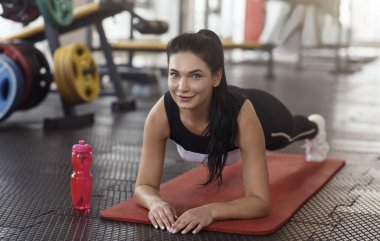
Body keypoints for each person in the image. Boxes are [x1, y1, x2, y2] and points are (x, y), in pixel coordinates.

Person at [133, 29, 330, 234]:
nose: (182, 87)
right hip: (216, 99)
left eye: (195, 75)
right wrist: (155, 203)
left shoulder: (242, 116)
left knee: (290, 133)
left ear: (216, 76)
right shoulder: (161, 114)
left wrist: (211, 211)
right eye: (174, 74)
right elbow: (143, 186)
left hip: (263, 113)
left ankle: (314, 126)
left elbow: (260, 202)